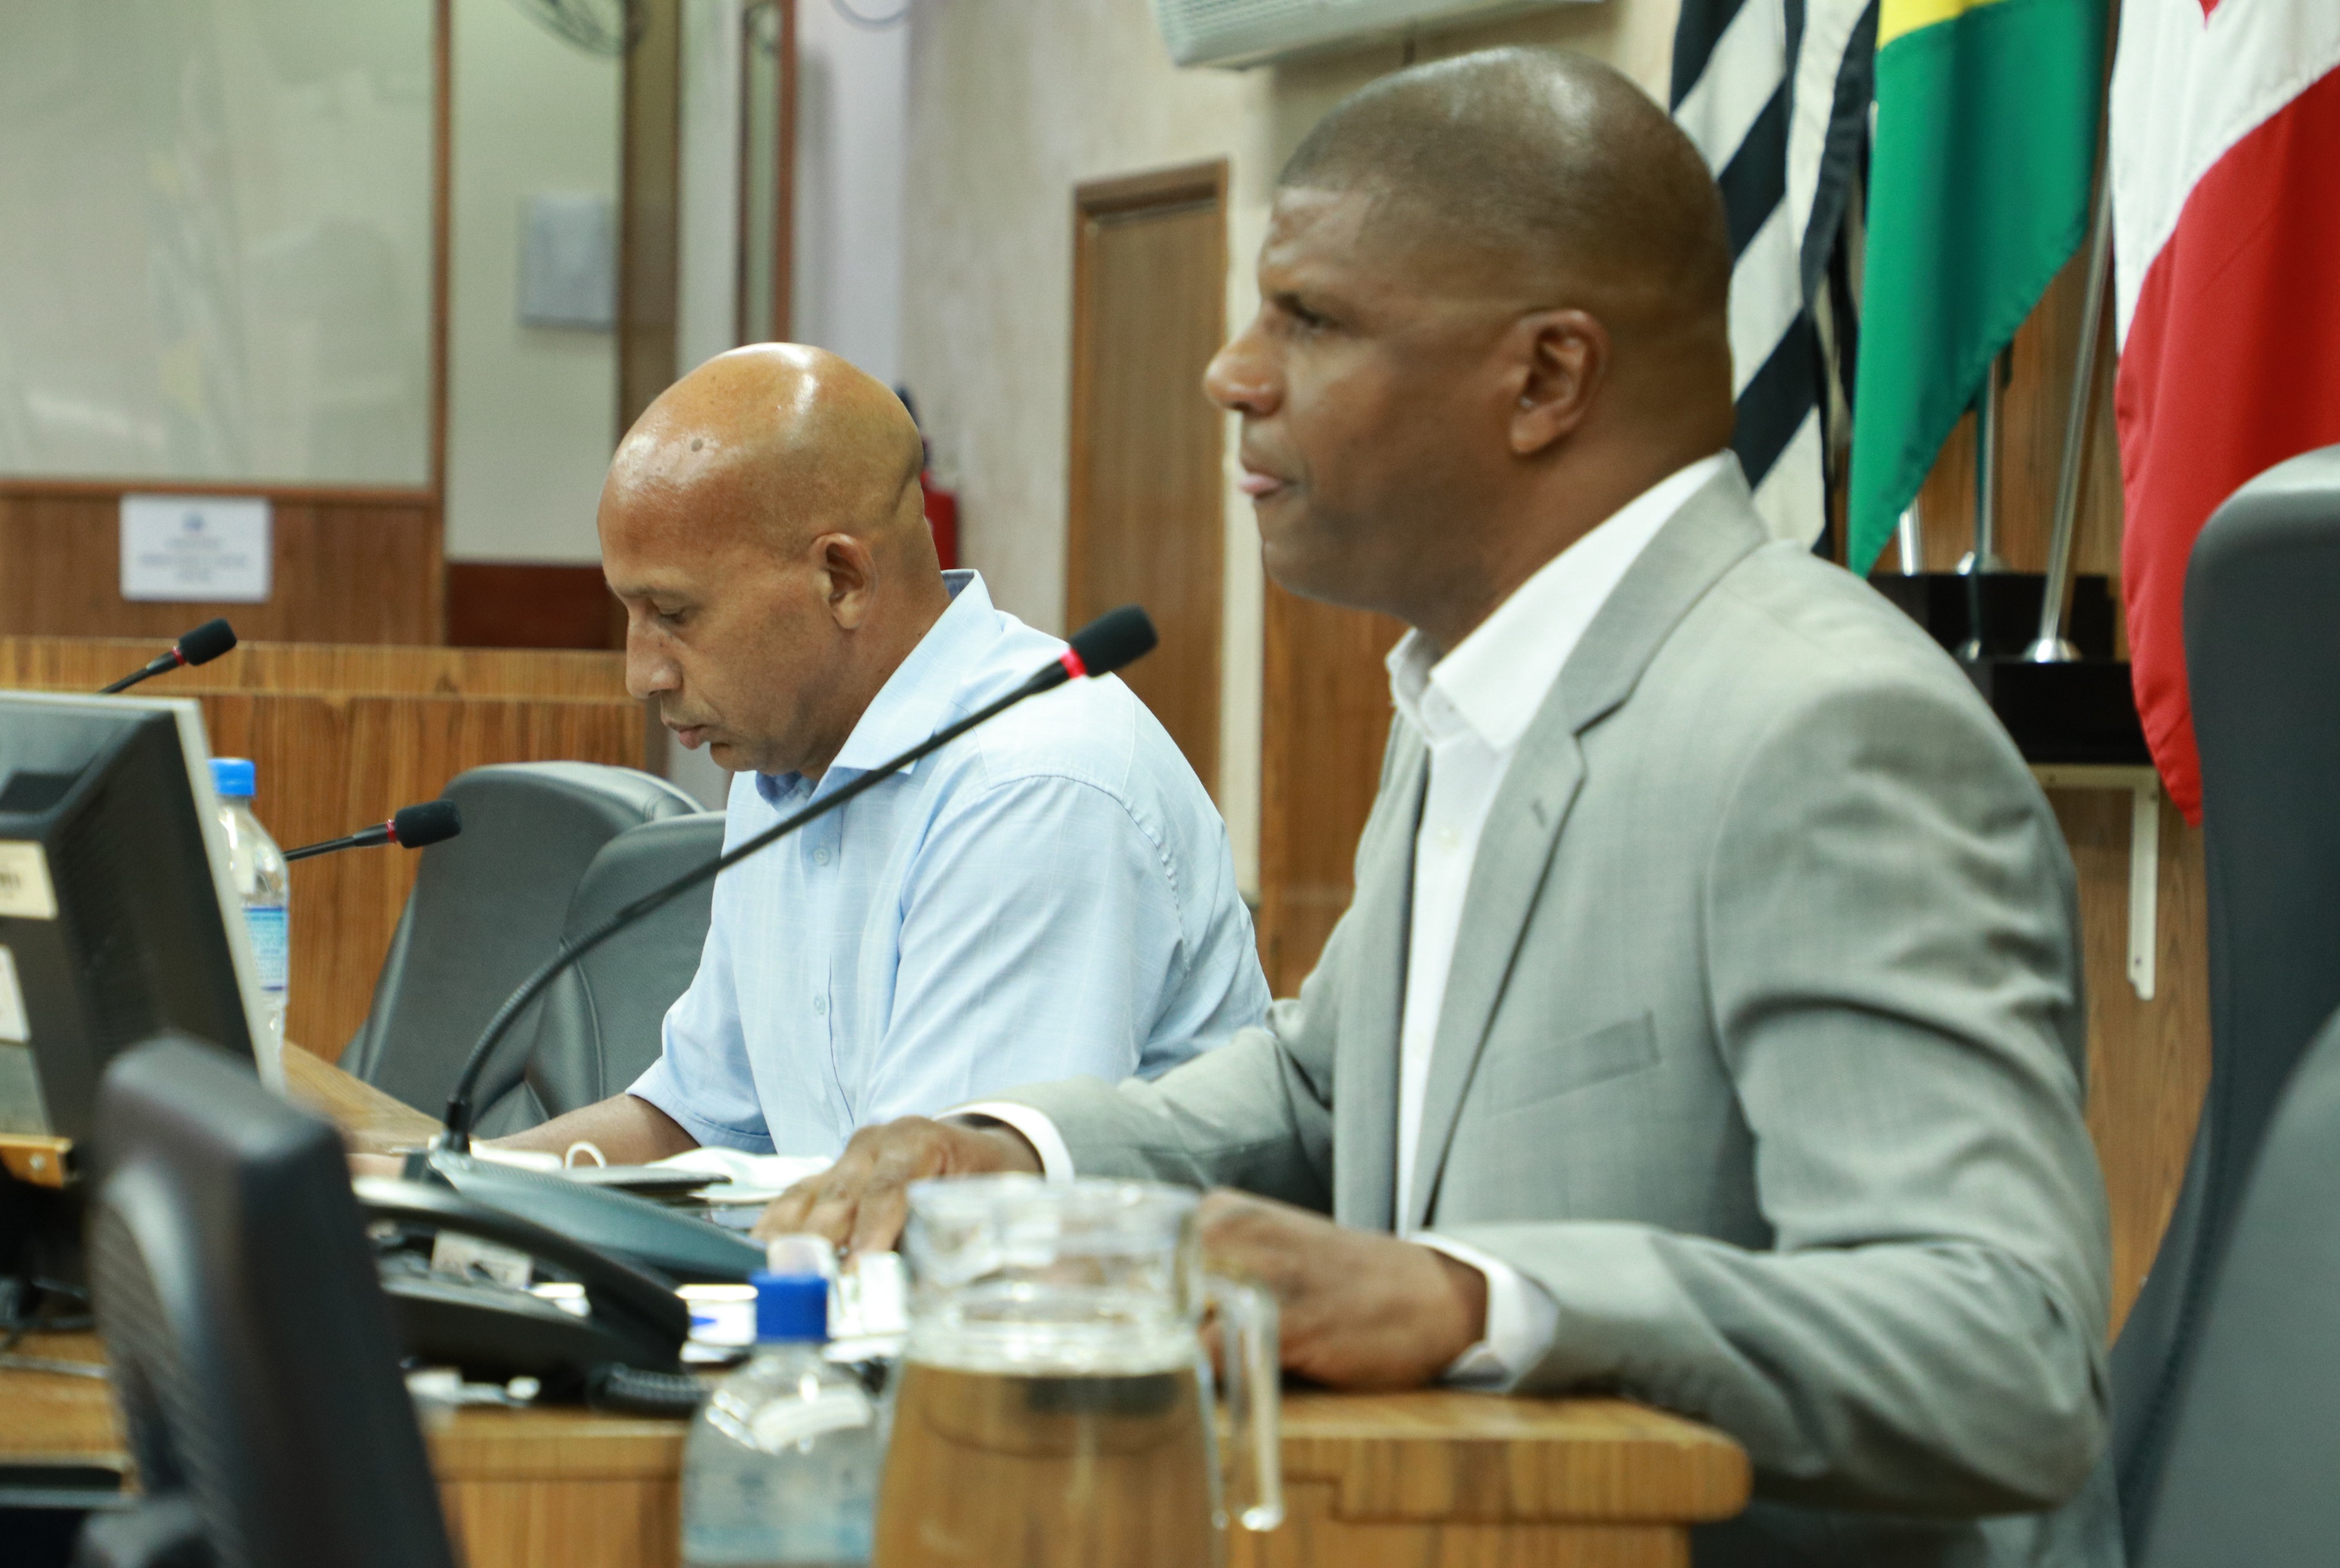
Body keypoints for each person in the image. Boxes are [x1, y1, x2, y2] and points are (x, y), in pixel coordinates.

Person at [763, 49, 2119, 1567]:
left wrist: (1479, 1300)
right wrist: (1007, 1151)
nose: (1233, 373)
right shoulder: (1475, 690)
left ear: (1545, 380)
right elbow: (1320, 1095)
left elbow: (2003, 1346)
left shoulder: (1820, 728)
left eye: (1310, 319)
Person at [490, 344, 1269, 1164]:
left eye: (674, 614)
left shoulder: (1032, 785)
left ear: (842, 579)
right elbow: (700, 1120)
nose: (641, 674)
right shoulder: (782, 761)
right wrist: (449, 1184)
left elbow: (936, 1201)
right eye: (630, 613)